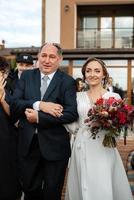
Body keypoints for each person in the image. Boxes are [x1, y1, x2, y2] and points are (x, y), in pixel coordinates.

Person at [10, 43, 78, 200]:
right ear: (38, 57)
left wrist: (39, 117)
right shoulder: (27, 76)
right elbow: (15, 103)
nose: (47, 60)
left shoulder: (67, 82)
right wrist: (40, 105)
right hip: (28, 145)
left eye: (52, 56)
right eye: (44, 56)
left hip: (55, 147)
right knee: (29, 189)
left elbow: (70, 113)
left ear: (60, 59)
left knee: (52, 193)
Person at [64, 57, 133, 200]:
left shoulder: (114, 97)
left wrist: (107, 123)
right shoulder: (77, 97)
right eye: (88, 71)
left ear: (104, 74)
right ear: (84, 75)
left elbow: (120, 126)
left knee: (103, 182)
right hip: (82, 145)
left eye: (97, 70)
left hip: (104, 146)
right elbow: (72, 124)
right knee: (84, 182)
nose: (92, 74)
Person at [0, 56, 21, 200]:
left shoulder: (14, 89)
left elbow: (17, 119)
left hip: (7, 145)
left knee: (8, 185)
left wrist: (2, 98)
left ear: (4, 74)